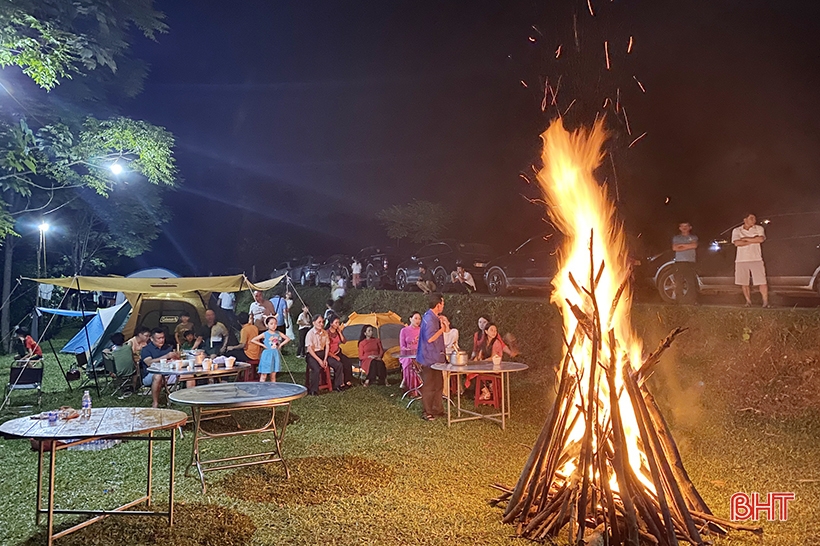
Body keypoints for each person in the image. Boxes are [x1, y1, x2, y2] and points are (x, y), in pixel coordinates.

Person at [417, 293, 450, 421]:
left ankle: (438, 409)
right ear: (438, 304)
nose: (443, 306)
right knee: (429, 385)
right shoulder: (429, 319)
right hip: (429, 358)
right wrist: (441, 329)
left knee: (438, 384)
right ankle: (427, 411)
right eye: (442, 303)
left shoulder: (434, 317)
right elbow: (430, 338)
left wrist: (444, 323)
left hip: (436, 357)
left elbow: (446, 331)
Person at [732, 213, 769, 308]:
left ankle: (765, 302)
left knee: (762, 281)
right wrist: (753, 240)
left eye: (754, 218)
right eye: (751, 218)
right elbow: (737, 243)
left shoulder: (759, 228)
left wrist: (746, 239)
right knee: (744, 282)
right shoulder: (737, 230)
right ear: (745, 219)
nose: (754, 220)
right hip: (741, 260)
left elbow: (760, 239)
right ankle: (748, 302)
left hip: (756, 258)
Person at [471, 322, 515, 400]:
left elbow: (492, 358)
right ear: (486, 331)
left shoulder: (496, 342)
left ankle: (485, 392)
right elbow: (479, 355)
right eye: (492, 330)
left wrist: (481, 362)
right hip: (486, 367)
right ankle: (485, 391)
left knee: (473, 374)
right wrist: (473, 362)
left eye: (495, 330)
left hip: (494, 368)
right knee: (469, 372)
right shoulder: (484, 342)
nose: (494, 332)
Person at [305, 314, 344, 394]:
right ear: (314, 323)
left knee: (338, 364)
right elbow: (309, 349)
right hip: (312, 355)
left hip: (323, 353)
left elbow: (327, 346)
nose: (321, 324)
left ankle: (337, 385)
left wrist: (325, 359)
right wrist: (320, 361)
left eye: (322, 322)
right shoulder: (310, 334)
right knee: (316, 368)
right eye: (319, 322)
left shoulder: (324, 333)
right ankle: (313, 390)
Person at [139, 328, 179, 408]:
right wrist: (166, 357)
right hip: (150, 375)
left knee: (187, 375)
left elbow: (175, 360)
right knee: (158, 376)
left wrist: (176, 357)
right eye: (159, 338)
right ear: (151, 339)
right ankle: (155, 403)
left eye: (163, 338)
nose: (161, 340)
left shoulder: (168, 348)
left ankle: (189, 401)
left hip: (169, 373)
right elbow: (149, 362)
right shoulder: (146, 349)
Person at [252, 316, 289, 382]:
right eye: (271, 324)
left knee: (273, 375)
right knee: (264, 374)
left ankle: (273, 390)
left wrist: (280, 345)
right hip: (267, 355)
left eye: (275, 324)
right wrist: (263, 345)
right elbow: (253, 340)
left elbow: (287, 338)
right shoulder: (265, 334)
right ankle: (261, 388)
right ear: (267, 325)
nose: (274, 325)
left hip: (275, 354)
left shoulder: (278, 333)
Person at [672, 222, 699, 304]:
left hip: (690, 262)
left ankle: (692, 301)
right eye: (682, 226)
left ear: (690, 227)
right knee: (678, 282)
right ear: (679, 228)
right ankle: (679, 300)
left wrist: (681, 246)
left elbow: (694, 245)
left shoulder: (693, 237)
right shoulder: (676, 238)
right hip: (679, 262)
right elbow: (675, 248)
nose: (684, 228)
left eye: (686, 226)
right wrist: (688, 245)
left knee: (691, 282)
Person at [327, 316, 354, 388]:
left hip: (338, 351)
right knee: (339, 364)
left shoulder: (338, 332)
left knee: (347, 362)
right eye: (336, 323)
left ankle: (347, 380)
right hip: (330, 354)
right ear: (331, 324)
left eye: (338, 322)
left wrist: (340, 332)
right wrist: (334, 356)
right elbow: (325, 348)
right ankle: (339, 383)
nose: (338, 324)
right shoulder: (326, 333)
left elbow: (344, 341)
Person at [399, 312, 422, 395]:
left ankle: (419, 386)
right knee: (410, 361)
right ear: (410, 319)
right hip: (407, 354)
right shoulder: (404, 331)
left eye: (419, 319)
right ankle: (411, 389)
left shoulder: (422, 330)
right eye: (416, 318)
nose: (418, 321)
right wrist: (408, 350)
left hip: (419, 354)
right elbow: (402, 346)